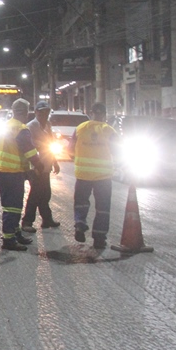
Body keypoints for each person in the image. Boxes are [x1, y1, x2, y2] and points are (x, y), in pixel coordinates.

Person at [0, 98, 46, 251]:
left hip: (5, 170)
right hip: (13, 172)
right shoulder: (21, 128)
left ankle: (16, 233)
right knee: (13, 207)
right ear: (25, 112)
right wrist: (39, 165)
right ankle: (9, 239)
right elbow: (29, 150)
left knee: (12, 205)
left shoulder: (7, 125)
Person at [71, 102, 118, 250]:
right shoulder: (109, 130)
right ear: (104, 114)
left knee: (81, 202)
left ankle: (80, 224)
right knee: (102, 207)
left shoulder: (80, 128)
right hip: (103, 177)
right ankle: (99, 239)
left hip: (83, 175)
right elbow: (118, 151)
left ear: (91, 113)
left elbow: (70, 148)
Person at [21, 101, 61, 233]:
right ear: (36, 112)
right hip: (35, 167)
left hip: (46, 165)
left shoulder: (48, 125)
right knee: (35, 194)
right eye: (41, 112)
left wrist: (55, 162)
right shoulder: (31, 126)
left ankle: (47, 219)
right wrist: (35, 165)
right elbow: (29, 148)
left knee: (45, 193)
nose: (44, 115)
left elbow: (50, 144)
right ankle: (27, 222)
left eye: (46, 112)